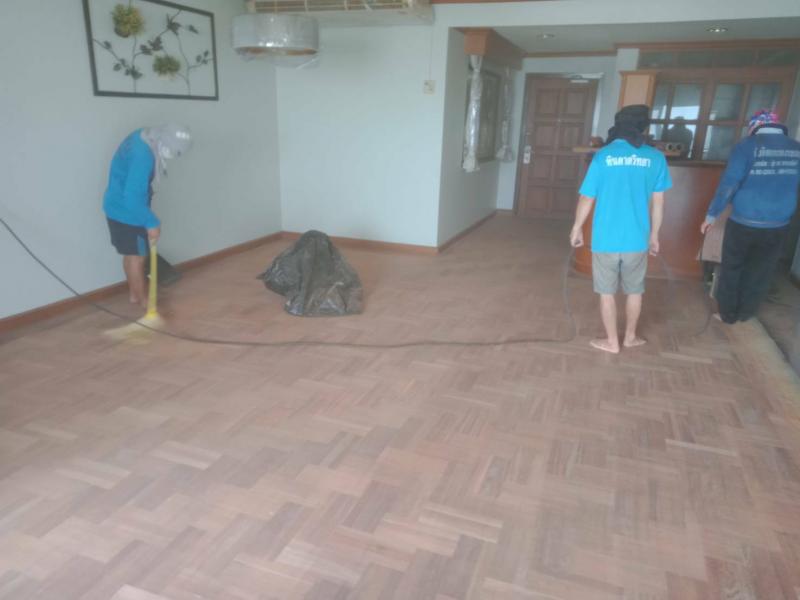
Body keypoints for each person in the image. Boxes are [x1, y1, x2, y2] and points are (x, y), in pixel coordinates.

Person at [570, 105, 672, 354]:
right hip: (637, 239)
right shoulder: (656, 158)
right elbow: (659, 203)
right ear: (643, 127)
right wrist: (654, 235)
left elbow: (587, 197)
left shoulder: (603, 156)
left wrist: (577, 228)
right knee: (635, 291)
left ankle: (611, 342)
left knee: (606, 293)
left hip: (605, 238)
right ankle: (630, 338)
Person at [700, 110, 800, 324]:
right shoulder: (796, 148)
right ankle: (746, 313)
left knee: (732, 267)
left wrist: (711, 216)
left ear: (755, 126)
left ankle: (728, 315)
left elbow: (729, 185)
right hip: (779, 223)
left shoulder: (746, 146)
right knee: (761, 271)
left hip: (744, 221)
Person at [102, 124, 192, 308]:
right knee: (138, 257)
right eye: (173, 152)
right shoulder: (143, 157)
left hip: (116, 205)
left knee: (131, 254)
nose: (172, 156)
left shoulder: (144, 136)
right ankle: (145, 303)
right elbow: (132, 198)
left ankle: (134, 296)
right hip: (128, 212)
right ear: (165, 144)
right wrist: (151, 222)